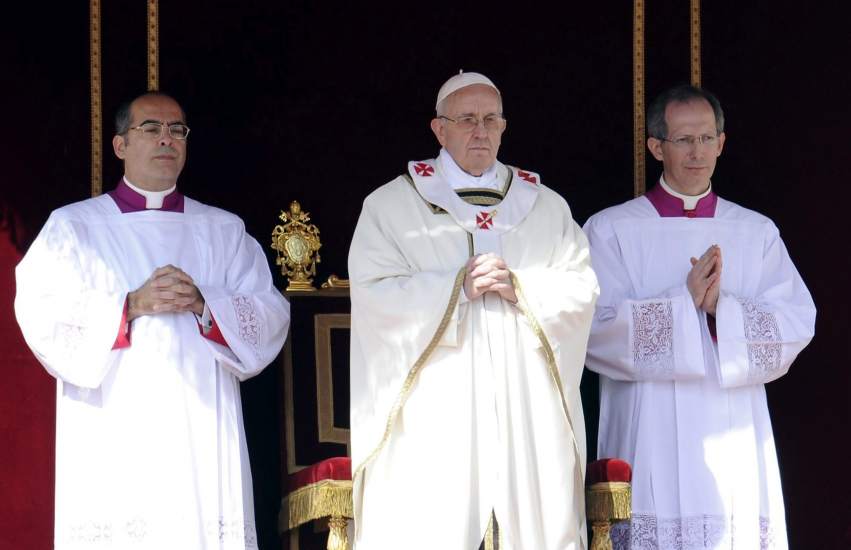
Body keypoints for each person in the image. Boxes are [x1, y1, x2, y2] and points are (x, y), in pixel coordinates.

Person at [15, 92, 290, 550]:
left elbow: (269, 312)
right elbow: (43, 313)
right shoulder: (74, 228)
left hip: (201, 422)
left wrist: (207, 305)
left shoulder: (222, 229)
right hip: (115, 420)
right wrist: (129, 306)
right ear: (121, 145)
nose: (168, 139)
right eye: (152, 129)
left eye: (177, 130)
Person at [348, 71, 599, 550]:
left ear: (504, 127)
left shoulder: (545, 207)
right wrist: (454, 289)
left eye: (490, 119)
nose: (480, 131)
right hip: (435, 405)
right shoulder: (392, 205)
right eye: (466, 120)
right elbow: (374, 293)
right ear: (439, 129)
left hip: (526, 405)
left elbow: (581, 290)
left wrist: (521, 287)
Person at [583, 85, 816, 549]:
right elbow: (591, 329)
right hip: (646, 420)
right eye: (684, 140)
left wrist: (720, 309)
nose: (698, 152)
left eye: (707, 138)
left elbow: (796, 324)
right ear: (656, 147)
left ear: (722, 143)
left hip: (732, 424)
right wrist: (681, 300)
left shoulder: (755, 232)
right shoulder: (611, 230)